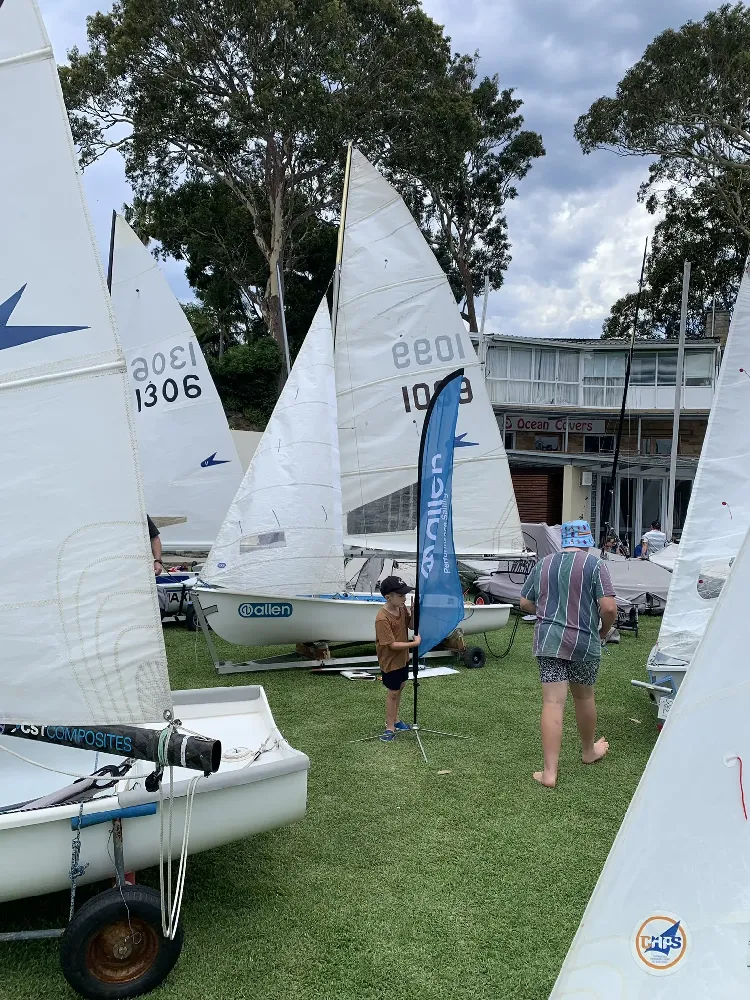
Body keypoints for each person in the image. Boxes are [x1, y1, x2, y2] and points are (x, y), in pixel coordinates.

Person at [519, 519, 617, 788]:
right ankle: (588, 751)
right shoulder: (594, 565)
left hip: (549, 642)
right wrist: (603, 631)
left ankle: (549, 773)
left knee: (553, 703)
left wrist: (546, 614)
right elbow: (608, 608)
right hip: (585, 641)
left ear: (565, 540)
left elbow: (525, 601)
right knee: (584, 697)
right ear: (587, 541)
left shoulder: (544, 564)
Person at [375, 576, 421, 743]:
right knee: (393, 692)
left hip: (403, 658)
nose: (404, 598)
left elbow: (410, 626)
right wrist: (413, 644)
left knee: (401, 686)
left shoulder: (401, 608)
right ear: (389, 597)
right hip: (390, 660)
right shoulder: (382, 617)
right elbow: (391, 645)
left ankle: (396, 719)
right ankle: (389, 727)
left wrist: (414, 611)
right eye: (401, 595)